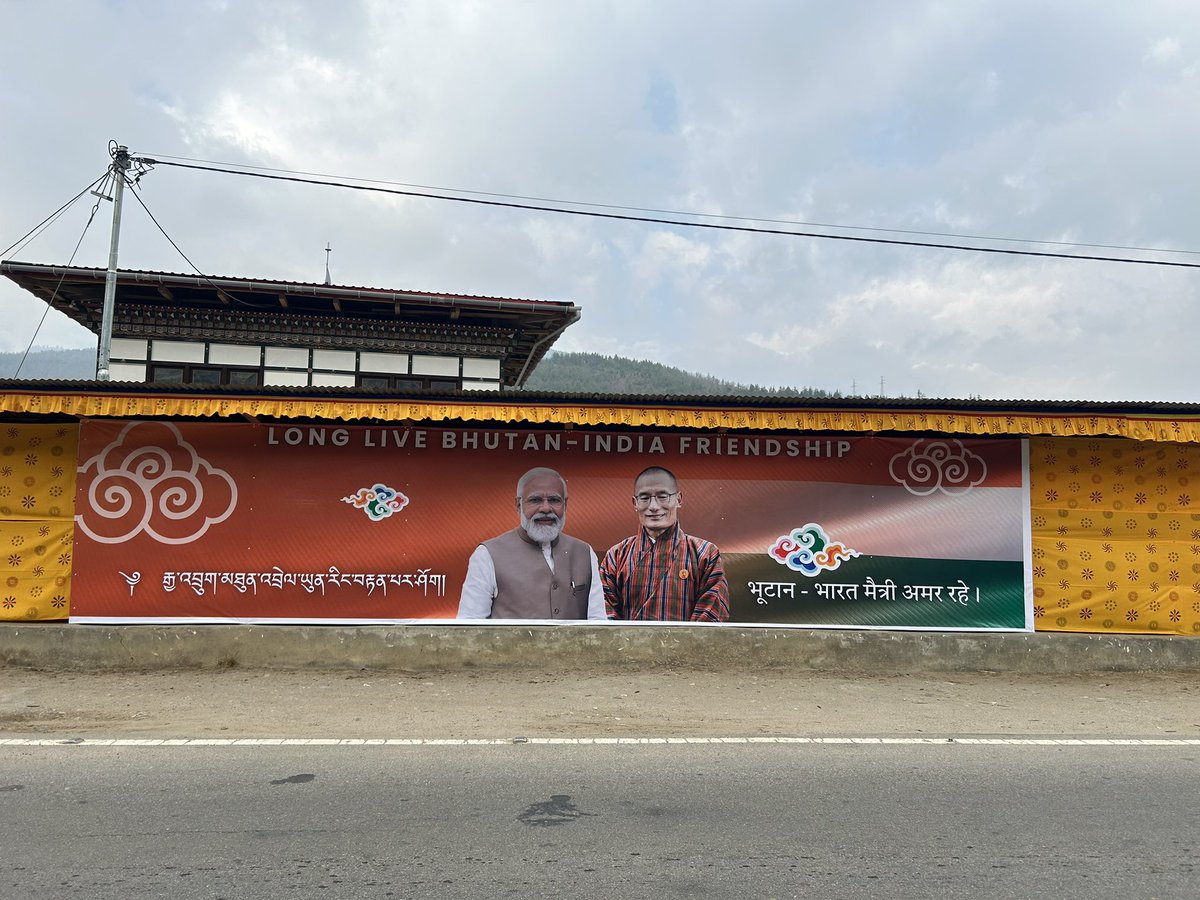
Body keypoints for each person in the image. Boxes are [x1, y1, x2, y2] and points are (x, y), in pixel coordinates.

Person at [457, 466, 607, 620]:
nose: (546, 508)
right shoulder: (487, 554)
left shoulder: (584, 553)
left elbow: (598, 623)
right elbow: (470, 628)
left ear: (565, 505)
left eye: (554, 500)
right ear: (518, 505)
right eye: (535, 500)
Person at [600, 465, 729, 622]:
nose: (653, 507)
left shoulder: (705, 554)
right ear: (635, 503)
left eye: (662, 496)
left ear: (678, 499)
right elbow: (604, 618)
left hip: (686, 646)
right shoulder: (617, 555)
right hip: (627, 646)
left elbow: (710, 619)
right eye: (644, 498)